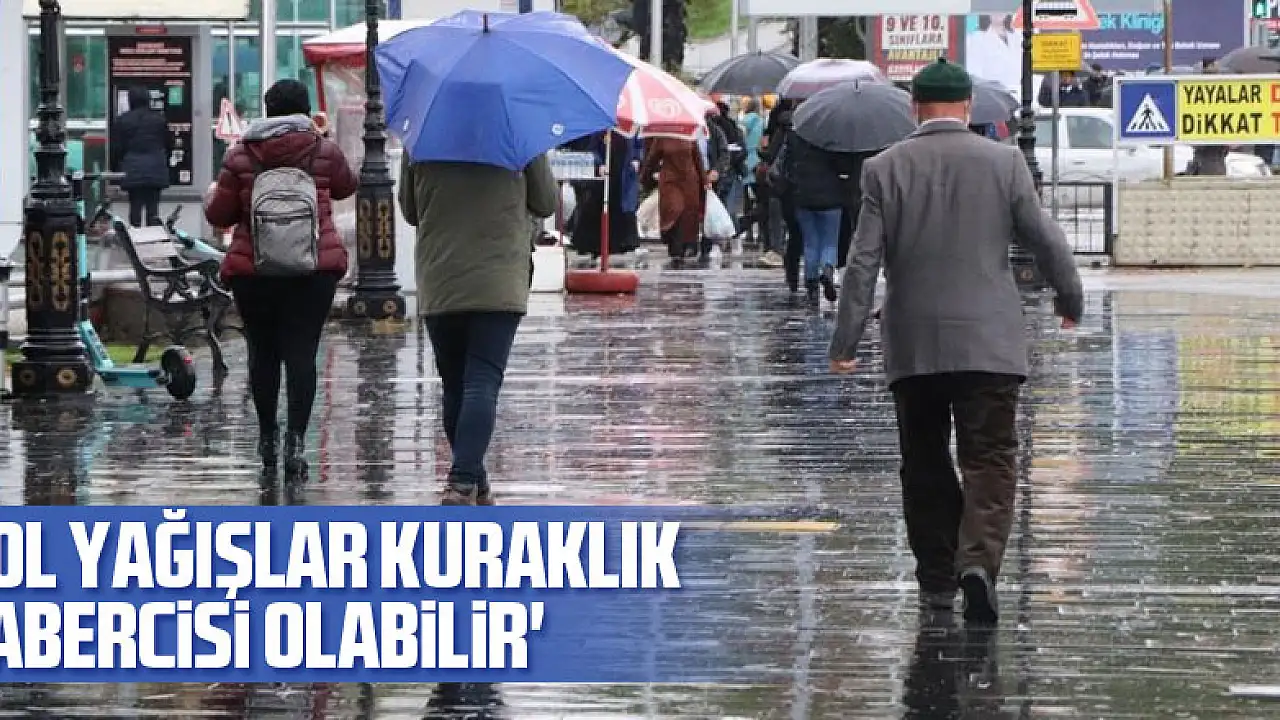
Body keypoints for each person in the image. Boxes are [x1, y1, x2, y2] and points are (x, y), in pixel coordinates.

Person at [829, 59, 1083, 625]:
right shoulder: (1005, 162)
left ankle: (938, 578)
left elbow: (862, 263)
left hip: (914, 344)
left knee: (923, 460)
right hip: (990, 344)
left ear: (914, 107)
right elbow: (1046, 239)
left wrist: (845, 342)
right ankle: (978, 563)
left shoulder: (883, 169)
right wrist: (1070, 300)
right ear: (968, 107)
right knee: (990, 457)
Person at [205, 79, 358, 477]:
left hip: (254, 271)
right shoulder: (323, 150)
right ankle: (296, 443)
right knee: (302, 354)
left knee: (263, 353)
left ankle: (268, 438)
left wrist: (218, 194)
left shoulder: (241, 155)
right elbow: (347, 186)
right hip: (314, 268)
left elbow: (219, 215)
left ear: (267, 110)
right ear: (306, 110)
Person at [398, 140, 557, 507]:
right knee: (482, 381)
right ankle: (463, 480)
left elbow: (410, 210)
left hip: (441, 275)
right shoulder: (518, 130)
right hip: (498, 277)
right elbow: (546, 201)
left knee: (455, 384)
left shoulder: (422, 133)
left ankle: (474, 481)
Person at [769, 133, 844, 303]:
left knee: (810, 241)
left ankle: (811, 284)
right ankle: (827, 270)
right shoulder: (833, 136)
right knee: (830, 241)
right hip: (831, 196)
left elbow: (785, 164)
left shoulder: (795, 136)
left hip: (802, 196)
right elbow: (842, 165)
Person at [569, 130, 643, 258]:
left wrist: (637, 159)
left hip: (624, 173)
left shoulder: (633, 128)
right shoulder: (601, 129)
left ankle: (624, 242)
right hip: (605, 173)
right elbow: (592, 149)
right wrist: (599, 164)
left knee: (624, 207)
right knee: (598, 205)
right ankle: (594, 245)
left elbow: (639, 146)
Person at [112, 86, 173, 228]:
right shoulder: (159, 120)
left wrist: (117, 169)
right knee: (153, 210)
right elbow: (168, 144)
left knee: (135, 208)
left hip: (133, 169)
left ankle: (135, 237)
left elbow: (118, 148)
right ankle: (152, 238)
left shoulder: (123, 120)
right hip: (156, 168)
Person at [641, 137, 706, 261]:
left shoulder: (690, 136)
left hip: (689, 180)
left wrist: (704, 180)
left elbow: (697, 159)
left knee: (688, 215)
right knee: (674, 210)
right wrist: (645, 177)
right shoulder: (661, 138)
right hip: (670, 181)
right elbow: (652, 159)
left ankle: (688, 245)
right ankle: (675, 246)